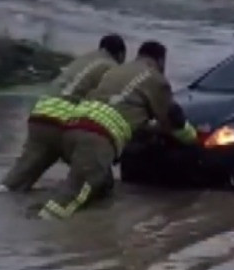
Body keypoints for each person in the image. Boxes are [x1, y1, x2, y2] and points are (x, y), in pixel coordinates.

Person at [36, 40, 199, 220]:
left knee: (103, 188)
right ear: (161, 61)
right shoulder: (156, 80)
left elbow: (124, 109)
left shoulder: (116, 70)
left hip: (70, 129)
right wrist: (193, 137)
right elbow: (171, 119)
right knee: (72, 196)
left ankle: (96, 230)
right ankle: (39, 230)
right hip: (97, 138)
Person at [0, 34, 127, 192]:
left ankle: (3, 192)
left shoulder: (82, 60)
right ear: (120, 55)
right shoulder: (113, 68)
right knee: (96, 176)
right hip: (66, 122)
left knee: (22, 174)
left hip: (41, 114)